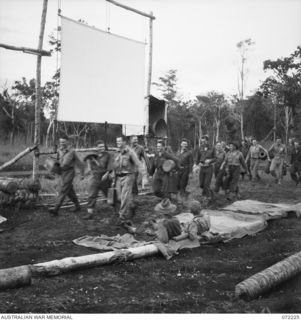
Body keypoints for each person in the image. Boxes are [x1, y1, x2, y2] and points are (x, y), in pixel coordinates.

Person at [112, 136, 143, 229]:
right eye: (117, 141)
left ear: (124, 142)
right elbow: (114, 166)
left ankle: (122, 217)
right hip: (118, 177)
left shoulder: (130, 152)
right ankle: (132, 207)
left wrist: (142, 177)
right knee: (118, 198)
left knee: (124, 196)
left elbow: (138, 164)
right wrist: (113, 177)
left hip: (128, 176)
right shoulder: (116, 153)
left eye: (120, 141)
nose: (118, 143)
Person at [49, 136, 84, 216]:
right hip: (62, 173)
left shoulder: (72, 152)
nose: (62, 144)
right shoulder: (59, 150)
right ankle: (78, 206)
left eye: (64, 142)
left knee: (63, 190)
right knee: (69, 191)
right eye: (61, 142)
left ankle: (55, 209)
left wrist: (82, 174)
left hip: (70, 172)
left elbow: (79, 163)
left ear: (67, 142)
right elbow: (58, 162)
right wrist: (53, 169)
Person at [84, 141, 113, 218]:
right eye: (100, 147)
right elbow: (87, 162)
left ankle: (119, 210)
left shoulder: (108, 155)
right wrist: (89, 164)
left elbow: (110, 167)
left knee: (110, 196)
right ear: (97, 147)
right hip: (95, 177)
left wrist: (106, 174)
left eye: (103, 146)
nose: (102, 148)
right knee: (91, 195)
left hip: (105, 178)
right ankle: (90, 213)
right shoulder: (92, 155)